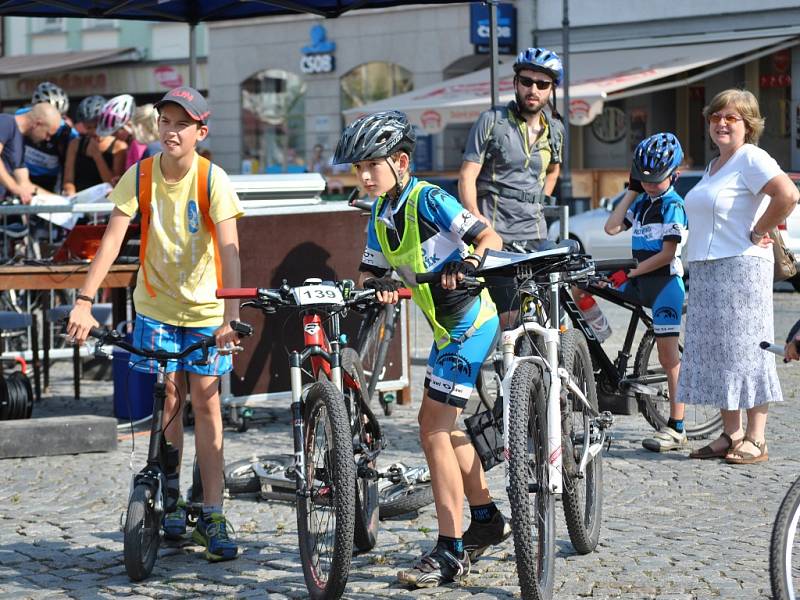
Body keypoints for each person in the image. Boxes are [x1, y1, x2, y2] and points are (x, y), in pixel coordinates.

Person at [67, 85, 244, 561]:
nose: (171, 131)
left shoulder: (213, 180)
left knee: (207, 405)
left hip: (206, 311)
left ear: (200, 133)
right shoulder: (140, 175)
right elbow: (110, 241)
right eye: (165, 122)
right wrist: (84, 301)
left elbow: (230, 251)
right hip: (156, 307)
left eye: (182, 124)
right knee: (168, 398)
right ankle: (170, 496)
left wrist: (231, 315)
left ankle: (212, 510)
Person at [334, 111, 509, 588]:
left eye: (373, 164)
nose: (365, 176)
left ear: (402, 162)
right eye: (359, 168)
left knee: (431, 426)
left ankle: (451, 549)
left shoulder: (428, 199)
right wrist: (380, 285)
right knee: (444, 427)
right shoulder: (379, 213)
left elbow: (487, 235)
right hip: (444, 330)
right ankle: (487, 517)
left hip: (472, 321)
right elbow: (368, 273)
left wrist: (471, 260)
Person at [680, 89, 798, 464]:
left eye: (731, 118)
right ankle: (731, 434)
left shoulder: (750, 157)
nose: (722, 123)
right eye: (716, 117)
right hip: (707, 267)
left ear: (748, 124)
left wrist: (758, 229)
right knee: (717, 352)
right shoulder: (716, 166)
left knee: (748, 350)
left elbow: (788, 194)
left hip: (740, 267)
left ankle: (757, 438)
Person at [458, 47, 565, 329]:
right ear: (515, 83)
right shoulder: (492, 121)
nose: (534, 89)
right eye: (527, 81)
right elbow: (467, 174)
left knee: (561, 304)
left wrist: (543, 200)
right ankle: (515, 371)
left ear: (551, 89)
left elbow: (554, 169)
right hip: (497, 234)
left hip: (535, 232)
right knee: (511, 321)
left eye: (542, 84)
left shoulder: (555, 129)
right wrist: (474, 216)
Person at [604, 133, 688, 452]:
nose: (651, 184)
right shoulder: (642, 202)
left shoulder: (673, 206)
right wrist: (631, 190)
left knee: (669, 359)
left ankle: (677, 427)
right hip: (641, 281)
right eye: (645, 178)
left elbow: (668, 253)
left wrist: (634, 272)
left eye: (657, 179)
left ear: (674, 175)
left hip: (665, 284)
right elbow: (611, 228)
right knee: (590, 284)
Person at [18, 82, 77, 194]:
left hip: (49, 180)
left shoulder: (68, 133)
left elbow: (68, 168)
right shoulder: (21, 116)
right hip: (21, 174)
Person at [63, 94, 128, 194]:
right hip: (81, 202)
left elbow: (114, 186)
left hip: (105, 204)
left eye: (97, 127)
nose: (94, 132)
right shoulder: (75, 144)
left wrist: (97, 156)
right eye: (89, 128)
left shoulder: (119, 147)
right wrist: (71, 194)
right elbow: (68, 180)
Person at [0, 102, 61, 204]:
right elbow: (18, 187)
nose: (47, 139)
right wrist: (14, 188)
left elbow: (25, 184)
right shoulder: (5, 122)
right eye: (48, 134)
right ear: (37, 124)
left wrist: (61, 201)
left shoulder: (21, 142)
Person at [121, 103, 162, 170]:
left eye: (133, 125)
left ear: (140, 126)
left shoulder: (151, 149)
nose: (132, 131)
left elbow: (140, 176)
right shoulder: (166, 145)